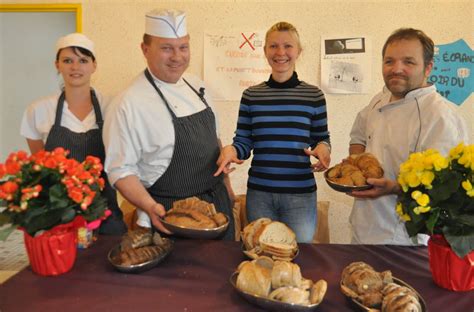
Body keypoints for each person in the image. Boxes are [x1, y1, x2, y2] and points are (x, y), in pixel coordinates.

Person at [103, 9, 235, 240]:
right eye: (166, 48)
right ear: (145, 49)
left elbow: (214, 140)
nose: (177, 57)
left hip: (217, 208)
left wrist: (227, 186)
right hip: (169, 215)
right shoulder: (128, 104)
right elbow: (120, 171)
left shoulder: (197, 87)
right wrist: (148, 206)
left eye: (183, 47)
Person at [348, 28, 469, 245]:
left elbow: (447, 192)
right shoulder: (379, 99)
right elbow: (357, 136)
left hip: (404, 241)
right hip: (362, 227)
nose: (397, 69)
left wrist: (394, 187)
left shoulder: (440, 117)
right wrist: (356, 167)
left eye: (409, 62)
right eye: (389, 61)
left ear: (428, 67)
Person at [214, 22, 331, 243]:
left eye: (288, 46)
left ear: (298, 51)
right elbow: (244, 141)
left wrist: (323, 149)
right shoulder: (251, 95)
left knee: (300, 257)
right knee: (261, 256)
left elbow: (322, 138)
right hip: (260, 194)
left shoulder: (314, 95)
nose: (280, 52)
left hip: (301, 195)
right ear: (265, 50)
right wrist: (231, 150)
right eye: (273, 46)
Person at [20, 33, 127, 235]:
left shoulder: (111, 106)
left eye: (83, 60)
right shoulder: (39, 110)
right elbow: (40, 164)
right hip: (59, 214)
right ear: (57, 65)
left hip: (105, 210)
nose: (75, 67)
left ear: (94, 65)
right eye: (67, 60)